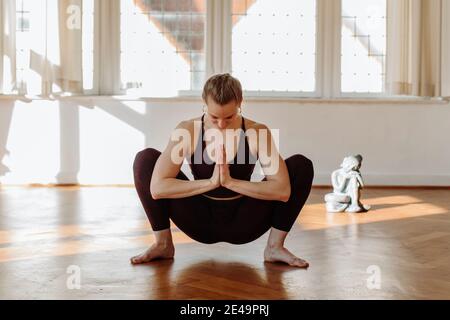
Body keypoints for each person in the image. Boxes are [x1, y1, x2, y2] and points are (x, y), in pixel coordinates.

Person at [131, 73, 314, 268]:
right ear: (204, 103)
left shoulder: (256, 132)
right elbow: (157, 188)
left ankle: (274, 247)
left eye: (229, 116)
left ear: (240, 103)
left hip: (244, 221)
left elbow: (282, 191)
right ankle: (163, 244)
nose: (221, 124)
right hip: (199, 219)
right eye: (214, 117)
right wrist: (211, 182)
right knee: (145, 159)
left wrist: (230, 182)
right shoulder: (187, 130)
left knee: (300, 166)